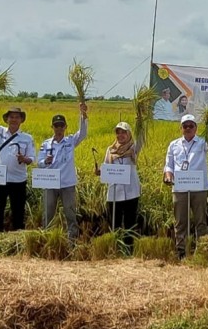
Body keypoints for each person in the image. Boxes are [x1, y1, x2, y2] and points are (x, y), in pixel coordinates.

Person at [0, 101, 36, 232]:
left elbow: (32, 158)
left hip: (18, 179)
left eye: (17, 117)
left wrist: (24, 159)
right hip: (0, 179)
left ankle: (18, 235)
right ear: (7, 119)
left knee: (18, 209)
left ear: (21, 120)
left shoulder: (27, 138)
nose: (14, 119)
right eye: (11, 117)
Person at [163, 114, 208, 257]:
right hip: (180, 188)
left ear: (196, 128)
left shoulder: (202, 142)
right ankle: (182, 251)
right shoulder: (174, 145)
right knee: (180, 222)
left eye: (191, 125)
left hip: (199, 188)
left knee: (200, 221)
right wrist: (168, 177)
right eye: (185, 126)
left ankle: (202, 251)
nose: (188, 128)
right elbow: (169, 166)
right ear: (181, 128)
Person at [37, 102, 88, 242]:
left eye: (61, 126)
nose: (59, 128)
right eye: (56, 126)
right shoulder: (45, 144)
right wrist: (45, 162)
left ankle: (72, 242)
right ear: (52, 127)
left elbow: (83, 133)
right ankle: (47, 240)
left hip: (67, 183)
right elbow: (39, 162)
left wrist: (82, 115)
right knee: (48, 214)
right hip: (50, 183)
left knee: (70, 214)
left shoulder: (70, 141)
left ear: (65, 127)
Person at [97, 121, 142, 249]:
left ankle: (129, 249)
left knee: (130, 223)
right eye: (118, 132)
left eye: (124, 132)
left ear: (129, 134)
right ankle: (115, 248)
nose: (120, 135)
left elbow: (141, 137)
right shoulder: (110, 150)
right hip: (114, 192)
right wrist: (99, 171)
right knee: (114, 223)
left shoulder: (133, 148)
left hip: (131, 191)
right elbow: (106, 167)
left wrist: (140, 119)